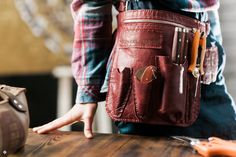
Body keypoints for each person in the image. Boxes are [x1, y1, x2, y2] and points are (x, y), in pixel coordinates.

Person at [33, 0, 236, 139]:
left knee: (224, 141)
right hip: (150, 65)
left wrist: (212, 60)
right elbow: (92, 7)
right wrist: (87, 93)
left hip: (204, 63)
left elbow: (207, 7)